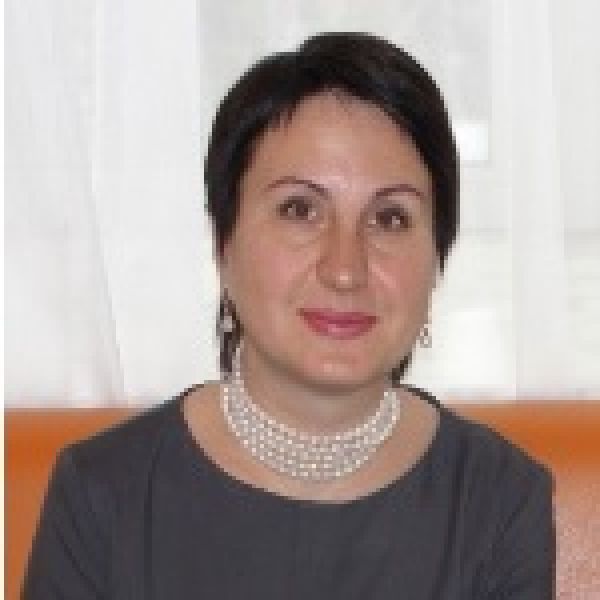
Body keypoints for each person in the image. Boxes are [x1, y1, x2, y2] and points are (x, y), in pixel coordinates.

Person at [23, 32, 555, 599]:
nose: (345, 269)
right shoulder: (102, 494)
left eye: (390, 219)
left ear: (437, 259)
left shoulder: (499, 501)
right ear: (224, 244)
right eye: (299, 210)